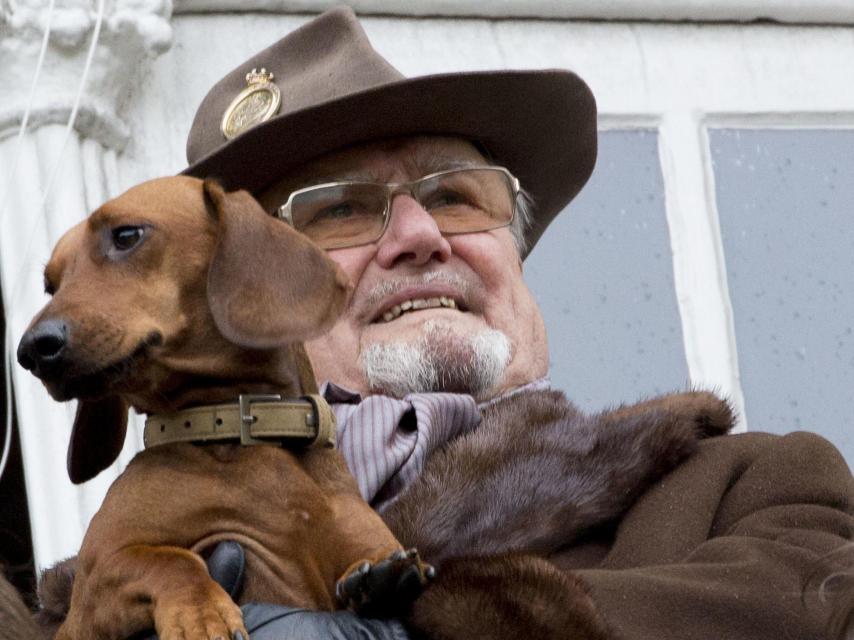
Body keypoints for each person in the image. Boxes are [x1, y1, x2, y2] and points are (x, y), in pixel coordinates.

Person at [19, 5, 851, 640]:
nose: (417, 237)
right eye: (342, 211)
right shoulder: (87, 593)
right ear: (256, 288)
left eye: (456, 196)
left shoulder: (753, 491)